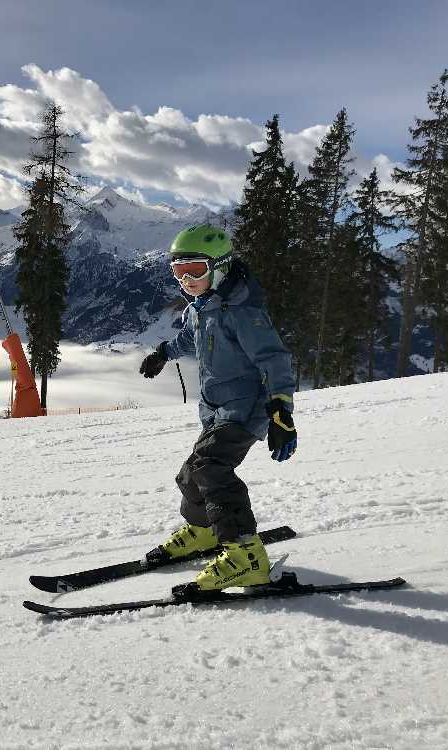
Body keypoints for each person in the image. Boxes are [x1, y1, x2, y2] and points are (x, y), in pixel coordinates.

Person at [139, 224, 297, 592]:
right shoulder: (201, 306)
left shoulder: (242, 311)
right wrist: (164, 353)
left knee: (212, 468)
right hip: (216, 409)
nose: (187, 280)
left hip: (247, 409)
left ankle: (247, 557)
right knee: (190, 474)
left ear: (221, 266)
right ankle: (204, 531)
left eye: (195, 270)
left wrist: (281, 412)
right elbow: (190, 337)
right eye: (178, 272)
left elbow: (275, 360)